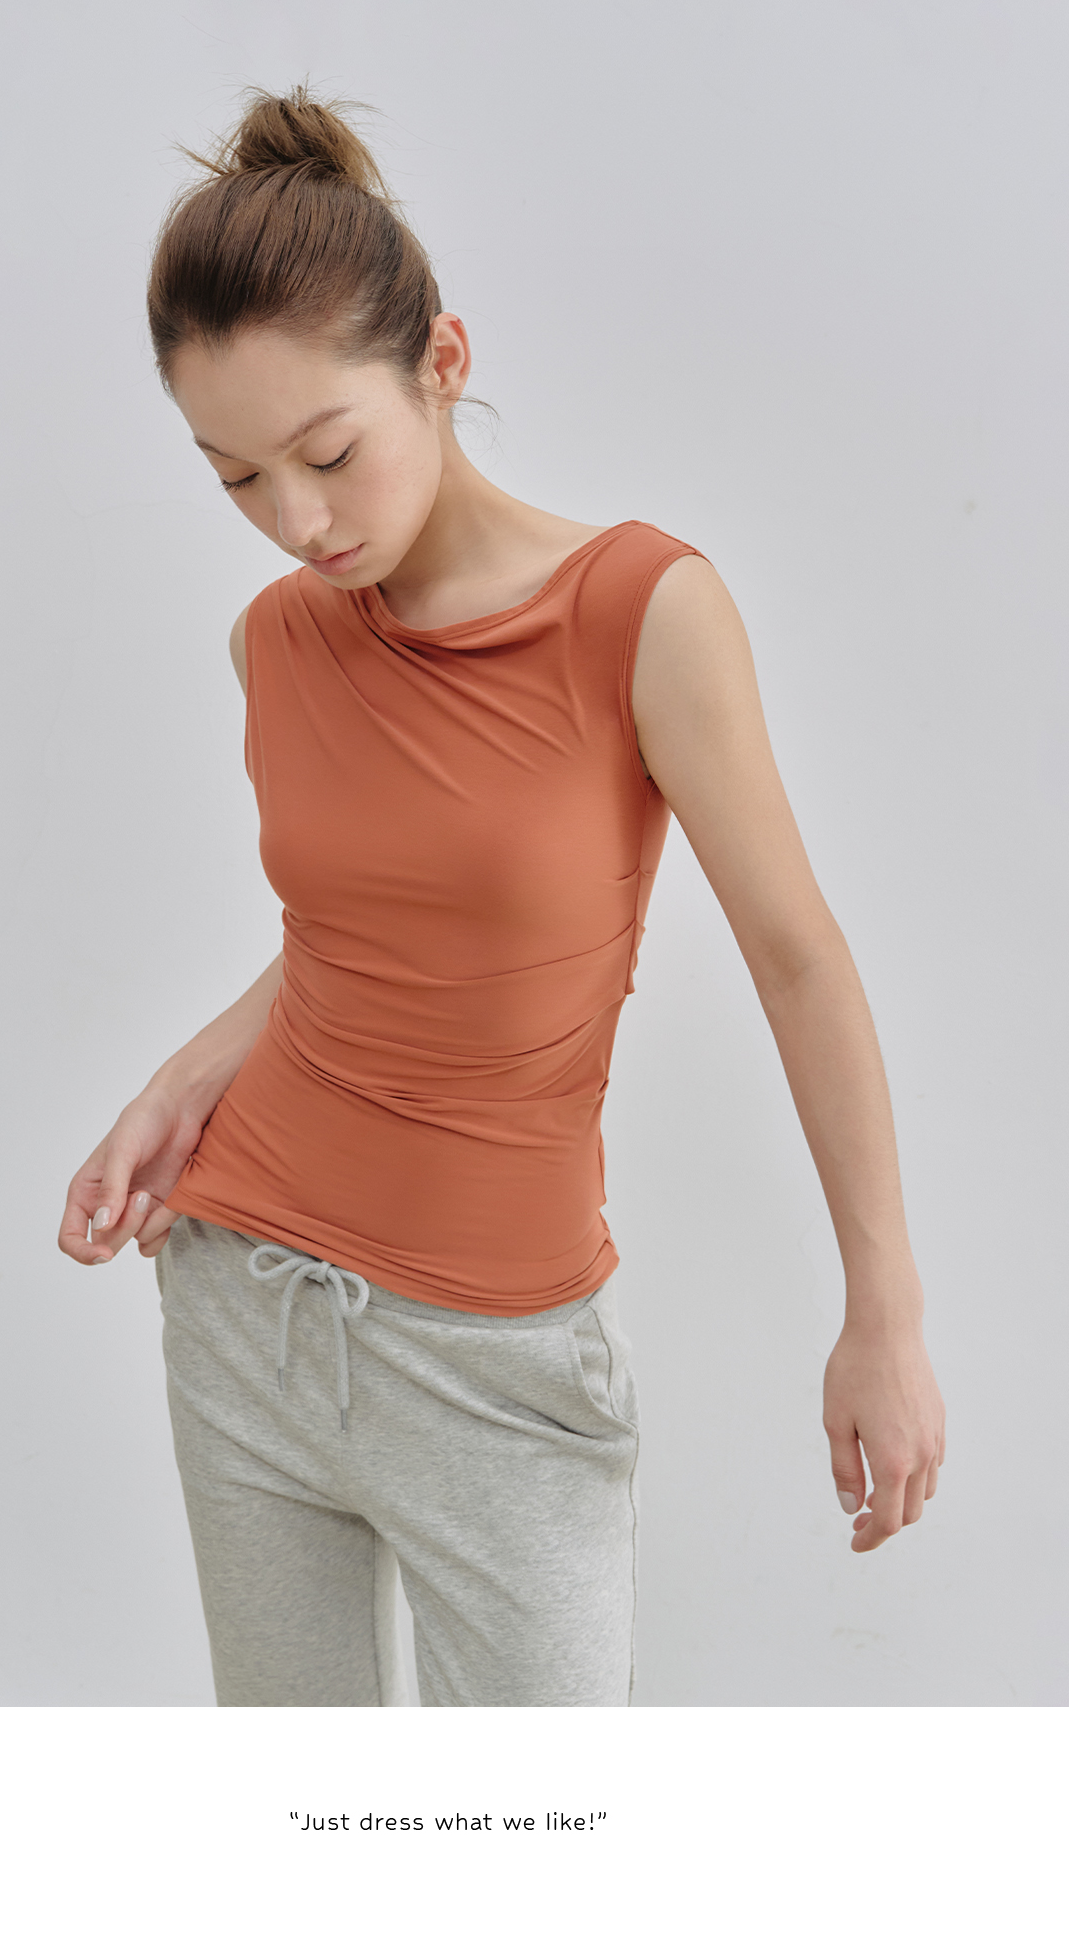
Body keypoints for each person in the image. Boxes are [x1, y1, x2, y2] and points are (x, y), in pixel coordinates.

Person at [58, 84, 945, 1707]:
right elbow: (350, 939)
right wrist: (182, 1079)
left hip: (503, 1361)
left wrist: (881, 1308)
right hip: (247, 1305)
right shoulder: (277, 643)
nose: (295, 522)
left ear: (444, 362)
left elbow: (800, 959)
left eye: (329, 453)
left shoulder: (642, 611)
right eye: (236, 477)